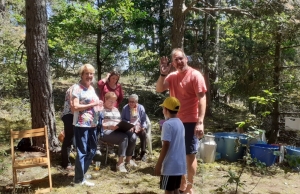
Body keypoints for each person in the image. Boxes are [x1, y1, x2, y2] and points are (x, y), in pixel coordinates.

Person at [156, 48, 207, 194]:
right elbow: (159, 89)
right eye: (176, 59)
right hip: (176, 121)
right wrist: (163, 74)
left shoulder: (195, 75)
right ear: (172, 63)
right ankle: (181, 184)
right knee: (177, 154)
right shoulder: (172, 76)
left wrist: (200, 121)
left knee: (190, 154)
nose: (179, 62)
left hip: (191, 120)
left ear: (186, 59)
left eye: (181, 58)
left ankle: (189, 188)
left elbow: (202, 98)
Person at [72, 64, 103, 186]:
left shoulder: (91, 89)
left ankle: (81, 173)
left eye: (91, 74)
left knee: (93, 150)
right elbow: (75, 107)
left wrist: (98, 105)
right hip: (81, 124)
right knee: (82, 151)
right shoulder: (77, 88)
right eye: (87, 73)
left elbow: (93, 104)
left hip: (92, 124)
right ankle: (79, 179)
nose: (89, 76)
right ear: (82, 75)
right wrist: (91, 105)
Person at [154, 97, 186, 194]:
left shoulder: (167, 124)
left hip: (170, 166)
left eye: (163, 108)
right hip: (179, 164)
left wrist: (159, 164)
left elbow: (166, 145)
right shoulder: (180, 122)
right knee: (176, 189)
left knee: (168, 191)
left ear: (166, 110)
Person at [100, 92, 137, 173]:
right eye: (110, 101)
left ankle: (128, 160)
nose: (112, 103)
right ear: (105, 99)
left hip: (116, 130)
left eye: (114, 102)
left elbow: (119, 121)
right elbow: (97, 125)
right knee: (124, 138)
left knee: (133, 136)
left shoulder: (116, 109)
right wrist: (109, 127)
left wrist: (126, 126)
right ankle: (120, 164)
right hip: (105, 131)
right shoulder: (100, 109)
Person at [121, 94, 148, 161]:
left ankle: (143, 152)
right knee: (132, 135)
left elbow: (143, 119)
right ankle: (131, 153)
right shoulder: (125, 108)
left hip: (138, 126)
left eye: (133, 102)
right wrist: (129, 124)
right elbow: (122, 119)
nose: (131, 103)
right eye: (130, 101)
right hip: (129, 126)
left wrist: (143, 127)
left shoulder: (140, 107)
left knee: (143, 133)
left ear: (137, 102)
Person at [60, 84, 76, 171]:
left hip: (75, 115)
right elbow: (72, 103)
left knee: (71, 137)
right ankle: (65, 163)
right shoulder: (75, 88)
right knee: (68, 138)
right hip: (70, 115)